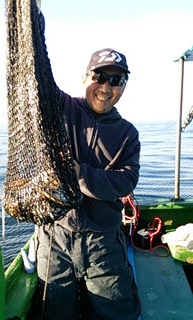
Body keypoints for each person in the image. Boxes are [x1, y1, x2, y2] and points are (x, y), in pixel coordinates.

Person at [35, 45, 141, 320]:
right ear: (85, 79)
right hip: (55, 237)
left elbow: (126, 181)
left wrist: (75, 173)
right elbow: (37, 79)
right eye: (100, 77)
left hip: (102, 241)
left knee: (116, 312)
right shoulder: (61, 107)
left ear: (125, 86)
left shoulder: (128, 134)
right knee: (54, 312)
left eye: (117, 80)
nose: (106, 87)